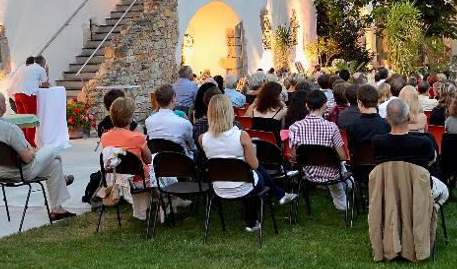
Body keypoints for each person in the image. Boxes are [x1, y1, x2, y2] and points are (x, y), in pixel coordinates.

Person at [199, 94, 296, 231]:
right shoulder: (241, 136)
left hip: (218, 186)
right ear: (229, 111)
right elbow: (254, 165)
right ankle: (274, 199)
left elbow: (216, 158)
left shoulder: (202, 139)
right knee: (256, 173)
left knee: (251, 175)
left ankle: (273, 201)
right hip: (243, 185)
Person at [0, 91, 76, 221]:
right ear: (0, 105)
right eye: (4, 102)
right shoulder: (10, 129)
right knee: (51, 149)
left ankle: (57, 210)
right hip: (21, 172)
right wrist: (33, 151)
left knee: (54, 165)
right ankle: (63, 178)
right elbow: (27, 158)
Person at [373, 99, 449, 207]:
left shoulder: (377, 142)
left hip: (390, 187)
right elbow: (432, 160)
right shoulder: (423, 142)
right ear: (408, 118)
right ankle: (429, 213)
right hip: (418, 187)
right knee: (444, 190)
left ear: (387, 119)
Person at [288, 89, 351, 211]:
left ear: (306, 105)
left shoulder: (295, 127)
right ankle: (344, 203)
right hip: (332, 173)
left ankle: (344, 201)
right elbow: (343, 156)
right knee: (344, 174)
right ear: (325, 105)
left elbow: (294, 157)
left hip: (308, 173)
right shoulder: (332, 127)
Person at [99, 97, 151, 180]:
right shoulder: (137, 137)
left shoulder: (104, 137)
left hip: (115, 179)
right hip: (137, 180)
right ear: (130, 118)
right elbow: (149, 160)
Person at [144, 84, 195, 156]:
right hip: (181, 163)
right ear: (172, 99)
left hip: (158, 162)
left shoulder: (148, 121)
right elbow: (192, 146)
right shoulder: (184, 123)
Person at [12, 56, 48, 146]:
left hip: (17, 94)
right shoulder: (40, 69)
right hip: (27, 95)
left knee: (22, 120)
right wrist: (47, 71)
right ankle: (30, 143)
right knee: (31, 119)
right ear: (43, 63)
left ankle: (22, 141)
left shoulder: (23, 67)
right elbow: (46, 84)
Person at [344, 84, 391, 149]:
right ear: (377, 101)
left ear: (360, 103)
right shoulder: (387, 125)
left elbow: (352, 151)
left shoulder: (352, 127)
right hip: (382, 158)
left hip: (360, 158)